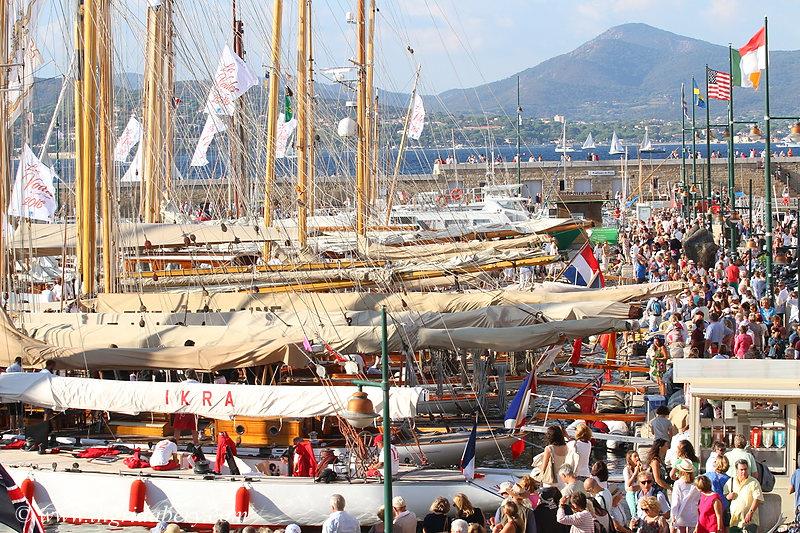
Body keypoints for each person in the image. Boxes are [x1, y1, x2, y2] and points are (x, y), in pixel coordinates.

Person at [724, 459, 763, 533]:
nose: (744, 472)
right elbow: (725, 495)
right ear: (736, 470)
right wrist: (728, 496)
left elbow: (757, 499)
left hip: (749, 521)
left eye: (745, 469)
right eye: (741, 469)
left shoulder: (754, 482)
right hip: (734, 520)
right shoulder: (731, 481)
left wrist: (750, 513)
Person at [669, 459, 699, 533]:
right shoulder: (696, 483)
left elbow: (676, 501)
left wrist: (673, 515)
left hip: (681, 513)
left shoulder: (678, 483)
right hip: (693, 513)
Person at [173, 369, 200, 445]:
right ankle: (196, 445)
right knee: (194, 429)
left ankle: (174, 445)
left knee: (178, 429)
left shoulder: (181, 384)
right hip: (193, 408)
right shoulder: (198, 384)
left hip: (183, 408)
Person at [5, 357, 23, 431]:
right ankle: (20, 428)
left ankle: (12, 428)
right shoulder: (21, 369)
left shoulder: (8, 368)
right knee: (19, 411)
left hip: (10, 393)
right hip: (18, 393)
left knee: (12, 412)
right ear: (20, 362)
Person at [623, 450, 643, 519]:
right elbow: (628, 484)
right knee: (634, 513)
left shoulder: (639, 468)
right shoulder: (627, 469)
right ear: (630, 459)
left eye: (638, 456)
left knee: (641, 511)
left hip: (639, 492)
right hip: (631, 494)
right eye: (635, 456)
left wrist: (641, 470)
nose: (637, 458)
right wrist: (635, 473)